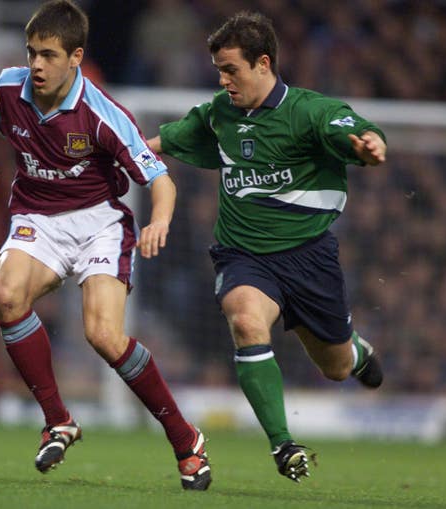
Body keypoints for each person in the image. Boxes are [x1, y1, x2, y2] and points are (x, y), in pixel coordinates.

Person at [0, 0, 211, 491]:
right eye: (32, 52)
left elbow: (160, 179)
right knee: (7, 297)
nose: (36, 64)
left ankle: (185, 440)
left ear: (75, 57)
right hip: (37, 218)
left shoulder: (102, 114)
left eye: (48, 55)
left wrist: (160, 220)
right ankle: (58, 421)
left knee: (103, 335)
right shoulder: (12, 87)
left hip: (99, 224)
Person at [147, 11, 386, 483]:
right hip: (244, 256)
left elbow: (355, 130)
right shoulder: (220, 112)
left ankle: (354, 351)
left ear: (263, 63)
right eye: (218, 69)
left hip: (309, 257)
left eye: (231, 69)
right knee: (244, 319)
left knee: (335, 367)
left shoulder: (308, 111)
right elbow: (164, 140)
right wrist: (121, 153)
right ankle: (283, 445)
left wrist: (369, 144)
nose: (223, 79)